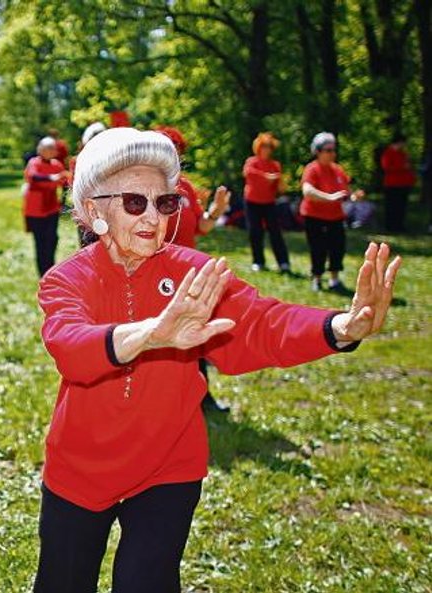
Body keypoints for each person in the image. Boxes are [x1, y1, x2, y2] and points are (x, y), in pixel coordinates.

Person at [33, 127, 401, 593]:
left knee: (147, 583)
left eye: (166, 203)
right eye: (134, 202)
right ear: (92, 211)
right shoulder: (67, 279)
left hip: (168, 464)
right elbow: (70, 346)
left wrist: (340, 328)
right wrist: (152, 333)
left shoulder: (192, 272)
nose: (153, 216)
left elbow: (260, 324)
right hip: (80, 467)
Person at [157, 125, 231, 413]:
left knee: (193, 331)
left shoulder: (185, 187)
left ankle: (202, 396)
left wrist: (216, 210)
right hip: (157, 270)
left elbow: (202, 227)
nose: (172, 154)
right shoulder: (146, 184)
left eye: (176, 149)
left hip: (188, 272)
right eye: (166, 148)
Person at [302, 132, 365, 292]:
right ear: (318, 151)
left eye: (333, 150)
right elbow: (307, 191)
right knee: (318, 248)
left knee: (337, 248)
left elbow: (345, 192)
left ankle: (334, 280)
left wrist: (353, 197)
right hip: (314, 216)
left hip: (335, 217)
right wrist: (328, 198)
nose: (332, 153)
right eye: (328, 150)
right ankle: (316, 279)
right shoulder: (312, 169)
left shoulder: (338, 170)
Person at [242, 132, 291, 272]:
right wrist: (266, 177)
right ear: (258, 147)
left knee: (275, 232)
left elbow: (278, 187)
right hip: (252, 201)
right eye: (264, 146)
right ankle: (258, 261)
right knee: (255, 231)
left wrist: (280, 183)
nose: (266, 149)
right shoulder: (252, 161)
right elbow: (248, 173)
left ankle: (283, 262)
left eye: (269, 146)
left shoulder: (275, 165)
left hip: (269, 202)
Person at [23, 137, 69, 276]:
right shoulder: (34, 162)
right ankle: (43, 273)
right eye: (50, 148)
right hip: (35, 209)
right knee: (40, 241)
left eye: (54, 148)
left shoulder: (57, 164)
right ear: (41, 149)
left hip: (52, 207)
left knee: (53, 238)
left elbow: (65, 183)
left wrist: (63, 201)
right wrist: (51, 178)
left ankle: (50, 268)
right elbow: (33, 176)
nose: (54, 150)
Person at [379, 133, 416, 233]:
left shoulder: (402, 153)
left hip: (403, 184)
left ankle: (399, 226)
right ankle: (390, 226)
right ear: (398, 142)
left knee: (401, 206)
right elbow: (386, 167)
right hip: (391, 184)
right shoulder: (388, 153)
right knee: (391, 206)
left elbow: (408, 166)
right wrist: (402, 167)